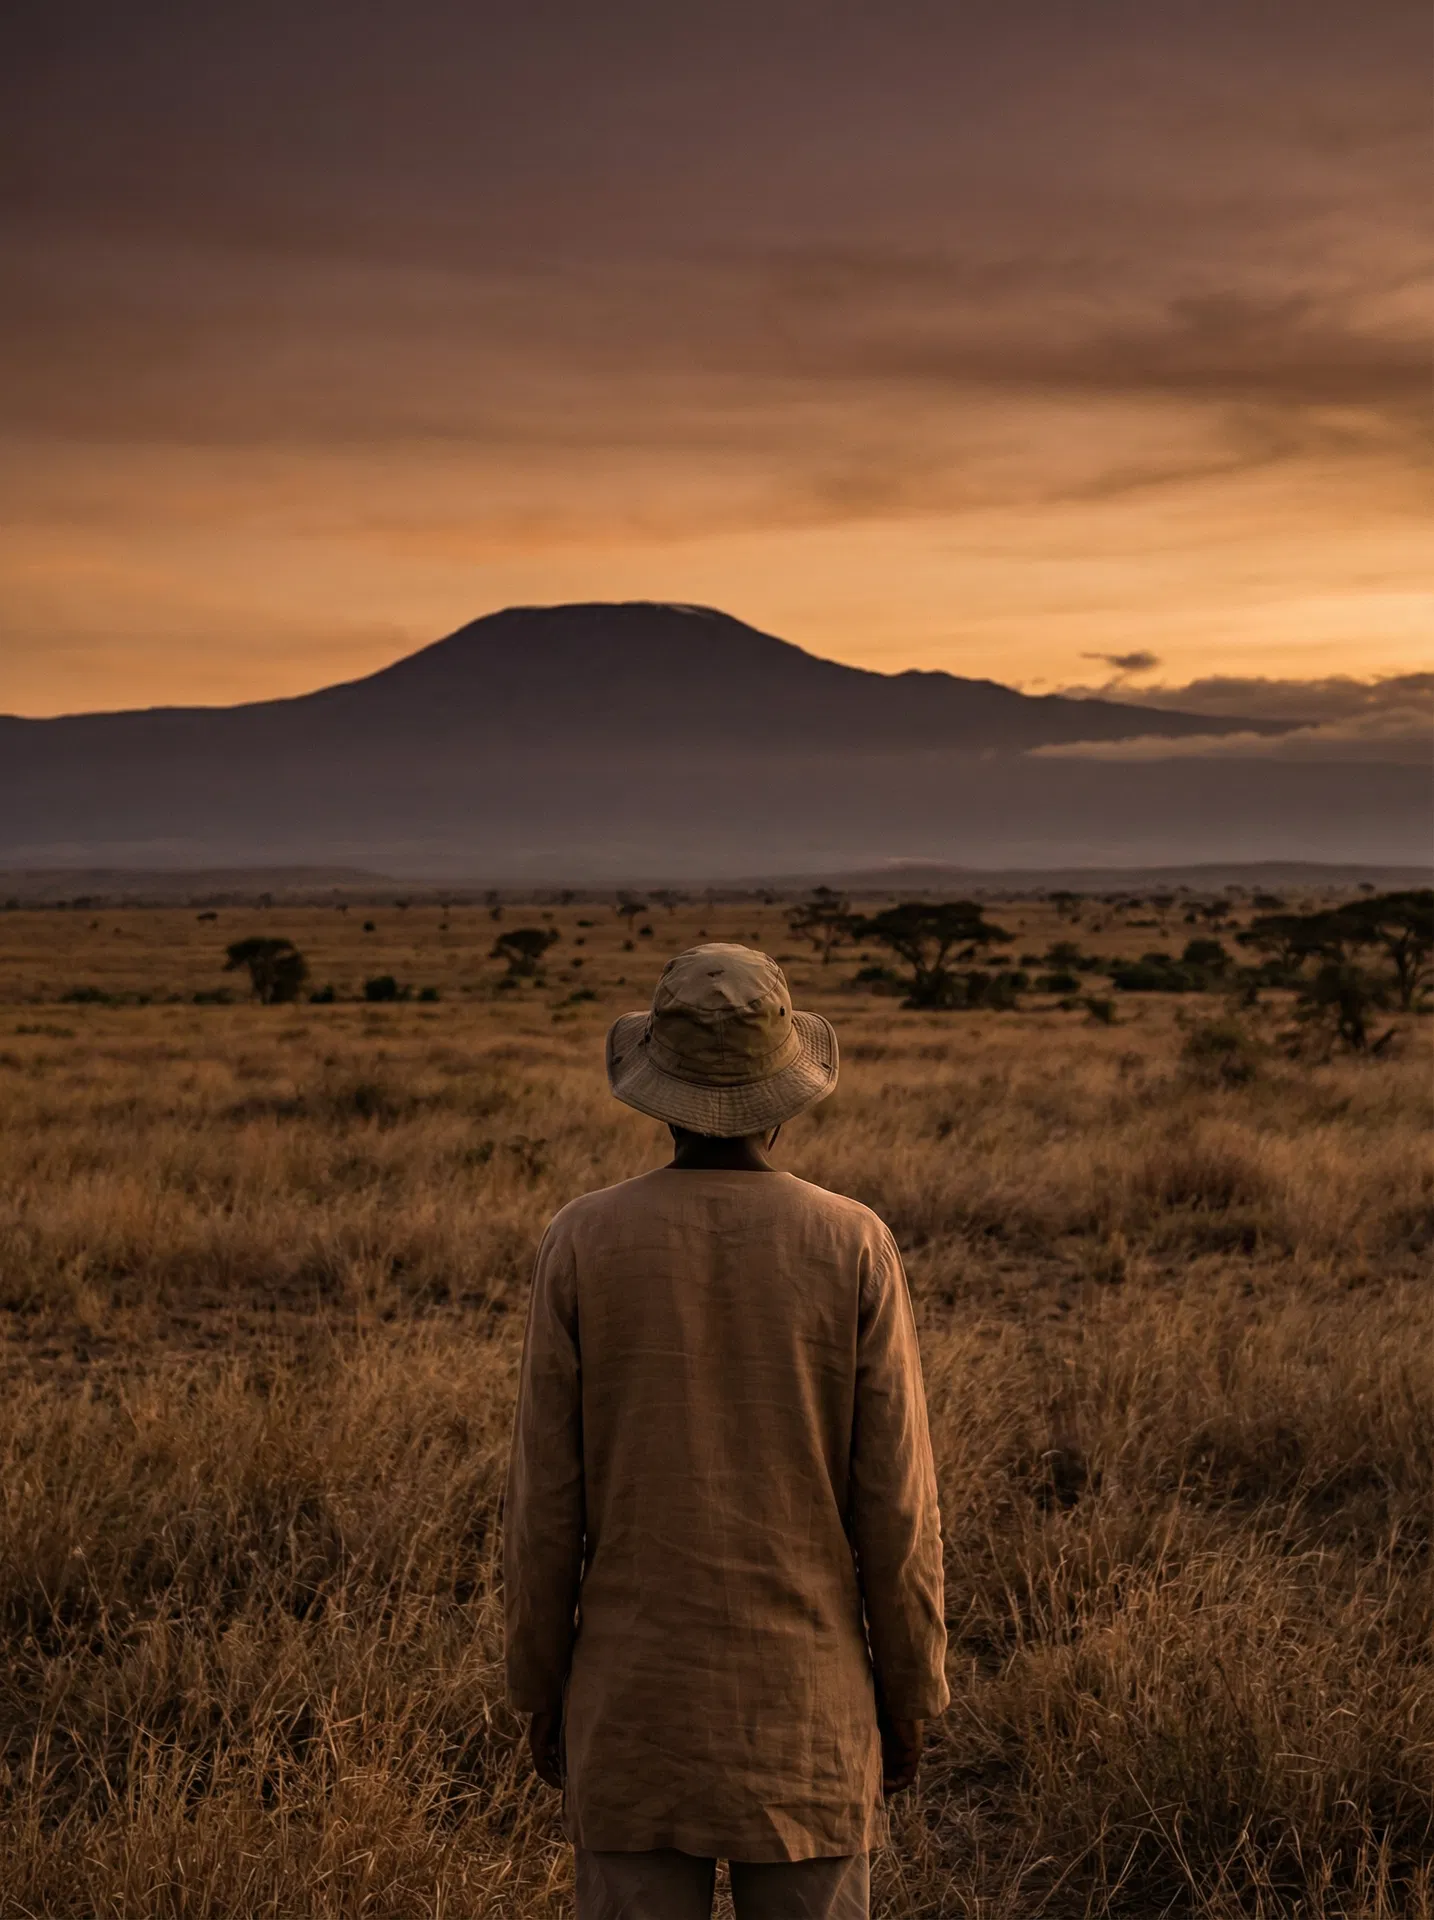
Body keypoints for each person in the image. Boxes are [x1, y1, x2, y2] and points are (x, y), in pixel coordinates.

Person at [504, 944, 948, 1920]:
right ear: (783, 1099)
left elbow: (544, 1504)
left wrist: (540, 1683)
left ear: (658, 1094)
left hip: (631, 1705)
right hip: (809, 1715)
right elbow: (897, 1509)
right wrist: (911, 1690)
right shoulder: (854, 1242)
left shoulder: (583, 1240)